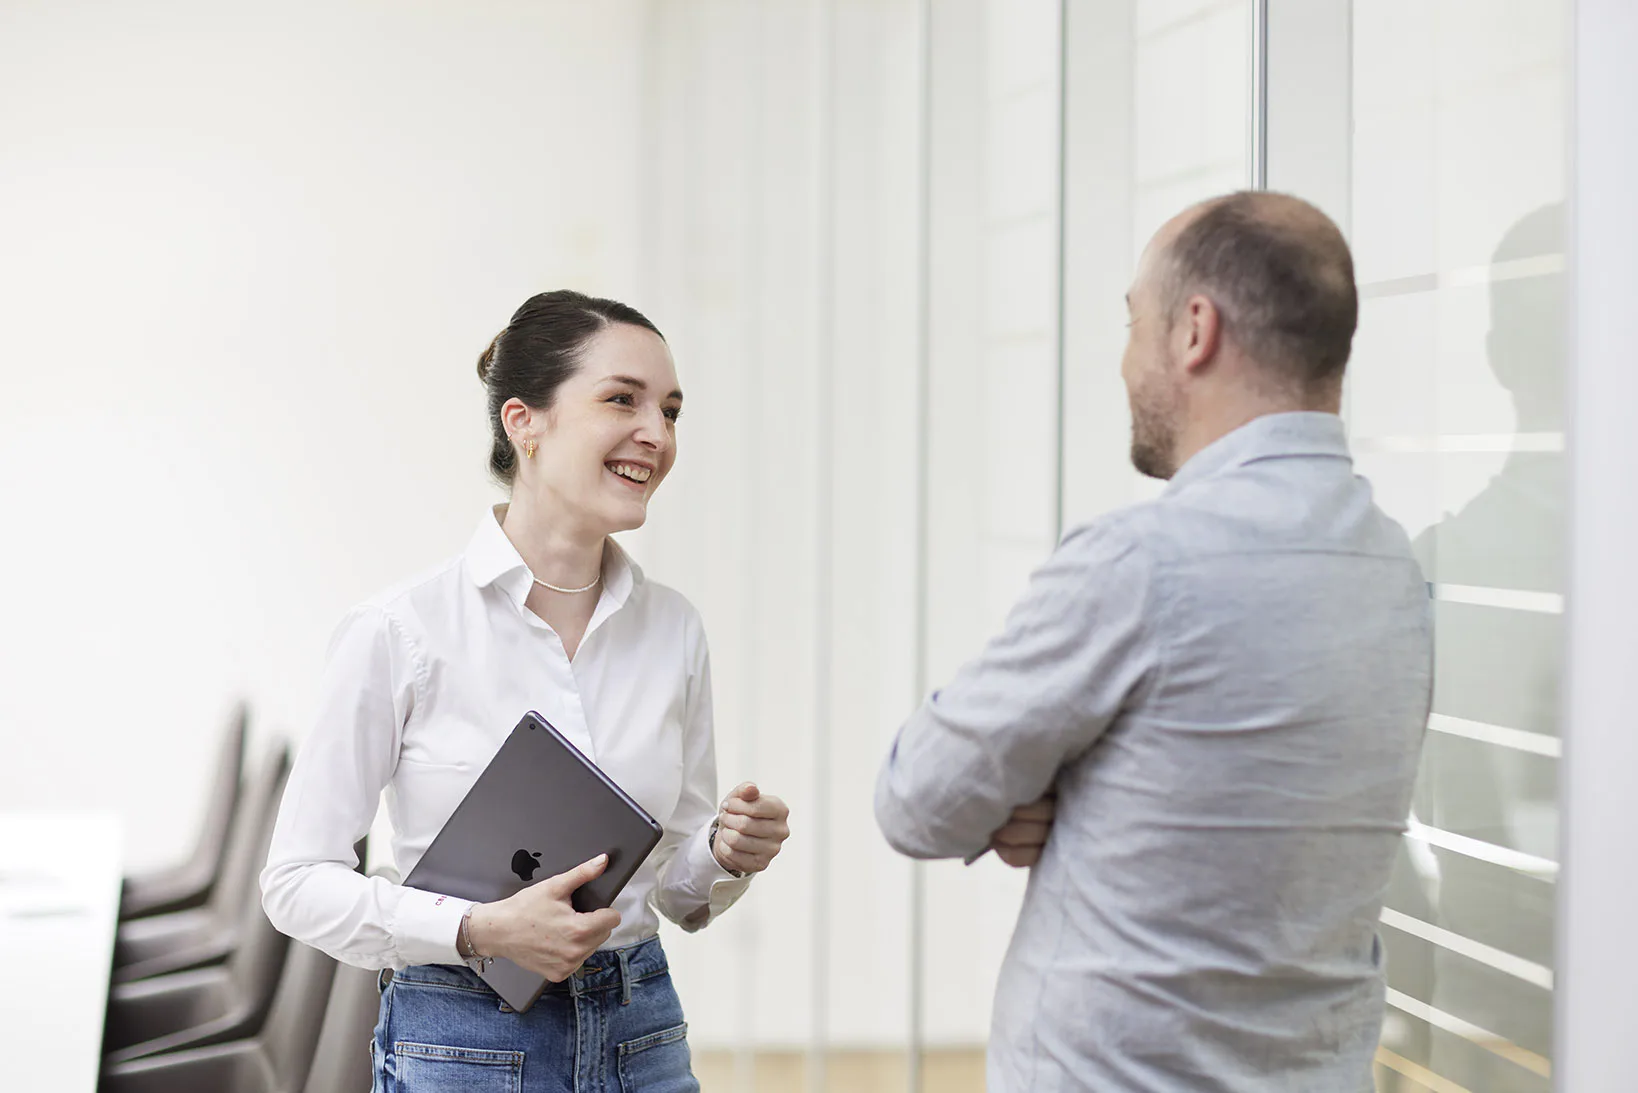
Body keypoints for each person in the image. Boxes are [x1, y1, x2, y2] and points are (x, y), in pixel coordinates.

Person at [875, 192, 1433, 1092]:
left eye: (1134, 322)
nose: (1127, 359)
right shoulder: (1393, 572)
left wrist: (1047, 787)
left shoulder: (1140, 565)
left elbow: (918, 800)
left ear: (1195, 331)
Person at [261, 290, 791, 1092]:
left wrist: (722, 851)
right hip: (463, 1040)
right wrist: (477, 928)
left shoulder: (674, 630)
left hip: (640, 1032)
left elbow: (676, 896)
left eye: (672, 410)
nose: (658, 432)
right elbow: (296, 882)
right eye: (623, 399)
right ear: (524, 422)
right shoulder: (400, 631)